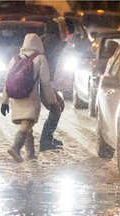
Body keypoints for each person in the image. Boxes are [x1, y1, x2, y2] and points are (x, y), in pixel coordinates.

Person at [1, 33, 57, 163]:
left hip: (16, 96)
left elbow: (7, 82)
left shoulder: (14, 59)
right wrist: (52, 101)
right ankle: (15, 147)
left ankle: (30, 154)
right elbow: (45, 83)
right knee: (28, 122)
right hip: (30, 97)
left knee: (27, 125)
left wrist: (4, 101)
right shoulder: (40, 58)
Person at [39, 17, 69, 152]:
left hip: (42, 80)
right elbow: (46, 62)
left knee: (59, 105)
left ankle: (47, 138)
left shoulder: (48, 37)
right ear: (61, 29)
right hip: (41, 81)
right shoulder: (53, 41)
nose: (68, 33)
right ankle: (45, 141)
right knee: (56, 107)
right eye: (66, 30)